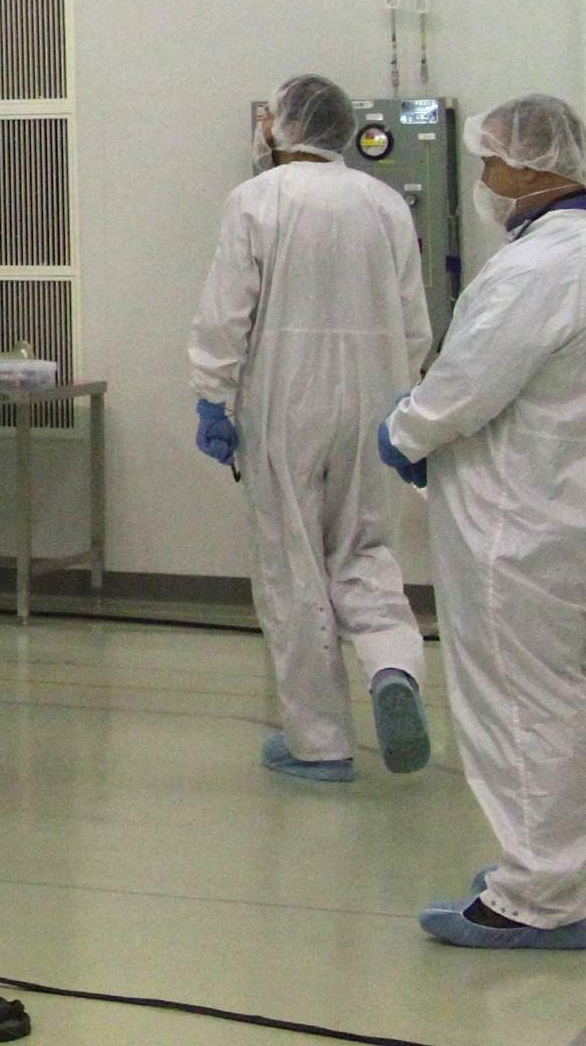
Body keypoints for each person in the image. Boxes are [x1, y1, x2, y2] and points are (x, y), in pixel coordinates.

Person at [378, 93, 586, 950]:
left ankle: (539, 894)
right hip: (561, 511)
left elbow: (465, 387)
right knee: (563, 698)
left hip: (521, 524)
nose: (486, 179)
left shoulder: (539, 268)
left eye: (494, 162)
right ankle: (565, 868)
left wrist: (404, 430)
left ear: (534, 167)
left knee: (522, 704)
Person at [187, 73, 431, 785]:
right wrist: (403, 398)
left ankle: (319, 743)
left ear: (282, 126)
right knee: (367, 549)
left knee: (292, 563)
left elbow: (227, 311)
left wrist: (212, 395)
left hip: (285, 402)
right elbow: (414, 322)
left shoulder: (257, 199)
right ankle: (392, 667)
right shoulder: (384, 203)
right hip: (377, 396)